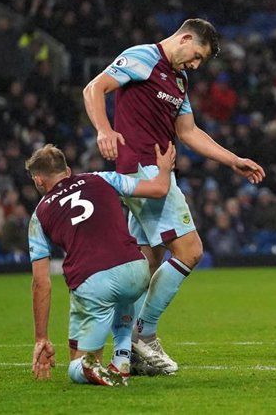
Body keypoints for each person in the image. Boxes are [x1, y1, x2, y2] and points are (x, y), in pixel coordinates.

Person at [82, 18, 265, 373]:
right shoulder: (143, 57)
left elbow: (189, 131)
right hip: (143, 170)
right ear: (184, 38)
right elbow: (94, 88)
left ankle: (124, 353)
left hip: (155, 171)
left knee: (144, 264)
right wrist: (103, 130)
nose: (196, 65)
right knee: (190, 249)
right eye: (196, 56)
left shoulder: (178, 80)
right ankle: (144, 335)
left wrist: (233, 160)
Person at [28, 142, 175, 386]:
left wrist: (41, 337)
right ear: (68, 171)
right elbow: (159, 189)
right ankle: (122, 356)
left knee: (79, 363)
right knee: (124, 292)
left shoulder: (39, 214)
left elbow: (40, 283)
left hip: (93, 282)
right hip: (136, 268)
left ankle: (88, 366)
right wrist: (164, 169)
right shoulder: (102, 178)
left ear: (39, 181)